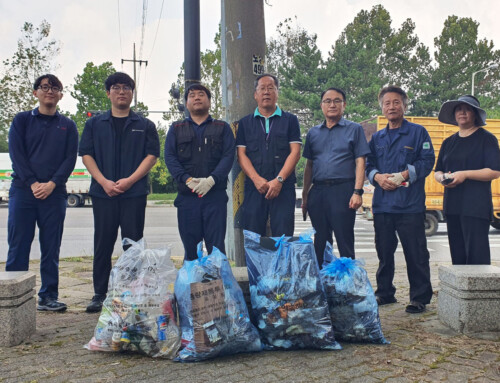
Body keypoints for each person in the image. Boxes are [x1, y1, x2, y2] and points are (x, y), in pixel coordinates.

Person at [79, 72, 160, 313]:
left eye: (126, 87)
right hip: (104, 193)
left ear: (132, 94)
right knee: (102, 243)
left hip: (133, 193)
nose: (121, 91)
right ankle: (99, 293)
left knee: (133, 243)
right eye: (116, 87)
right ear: (108, 93)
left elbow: (152, 156)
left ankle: (132, 290)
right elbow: (86, 155)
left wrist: (130, 181)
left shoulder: (144, 125)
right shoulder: (94, 124)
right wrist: (103, 181)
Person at [6, 74, 78, 312]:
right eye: (45, 87)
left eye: (55, 88)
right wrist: (33, 183)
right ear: (35, 92)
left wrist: (52, 184)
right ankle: (14, 296)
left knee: (51, 246)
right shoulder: (22, 121)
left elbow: (70, 159)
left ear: (61, 94)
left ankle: (48, 296)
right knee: (18, 244)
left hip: (55, 193)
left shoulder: (68, 125)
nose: (50, 91)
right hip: (23, 192)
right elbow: (17, 154)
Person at [366, 85, 434, 314]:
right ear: (382, 108)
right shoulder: (377, 137)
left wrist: (405, 174)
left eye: (396, 102)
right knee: (384, 253)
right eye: (387, 103)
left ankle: (419, 297)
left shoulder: (418, 132)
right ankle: (385, 293)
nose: (392, 106)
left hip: (410, 204)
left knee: (415, 253)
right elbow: (368, 164)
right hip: (383, 204)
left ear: (405, 105)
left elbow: (427, 162)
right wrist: (376, 177)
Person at [164, 84, 235, 260]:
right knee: (191, 250)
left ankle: (216, 287)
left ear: (209, 102)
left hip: (215, 197)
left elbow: (228, 156)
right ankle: (193, 287)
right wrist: (186, 180)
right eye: (192, 95)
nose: (197, 98)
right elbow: (170, 157)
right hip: (187, 199)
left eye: (201, 95)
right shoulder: (176, 128)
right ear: (186, 103)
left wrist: (211, 180)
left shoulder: (222, 127)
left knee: (216, 249)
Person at [302, 87, 370, 266]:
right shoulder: (313, 133)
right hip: (318, 191)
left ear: (344, 105)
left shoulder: (354, 129)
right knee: (320, 242)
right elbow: (309, 165)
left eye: (337, 101)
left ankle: (349, 287)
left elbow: (360, 161)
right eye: (328, 101)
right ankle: (322, 285)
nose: (332, 105)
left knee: (345, 240)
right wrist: (305, 196)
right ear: (321, 105)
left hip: (343, 191)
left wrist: (358, 191)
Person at [435, 95, 500, 265]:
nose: (462, 112)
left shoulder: (487, 139)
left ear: (475, 114)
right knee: (458, 257)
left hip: (475, 207)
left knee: (477, 258)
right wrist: (442, 178)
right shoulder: (448, 142)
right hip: (452, 206)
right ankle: (460, 292)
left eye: (467, 109)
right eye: (458, 109)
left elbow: (494, 171)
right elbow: (438, 170)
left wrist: (464, 174)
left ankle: (479, 292)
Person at [236, 73, 301, 237]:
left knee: (283, 236)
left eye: (271, 88)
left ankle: (281, 264)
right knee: (253, 237)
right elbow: (241, 154)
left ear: (277, 93)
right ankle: (256, 265)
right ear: (255, 95)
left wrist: (279, 180)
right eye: (262, 88)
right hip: (255, 187)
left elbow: (295, 152)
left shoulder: (290, 120)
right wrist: (256, 179)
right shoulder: (245, 123)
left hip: (283, 187)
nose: (266, 92)